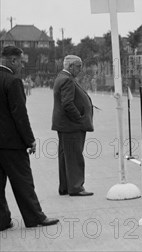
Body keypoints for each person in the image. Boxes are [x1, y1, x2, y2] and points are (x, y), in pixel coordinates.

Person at [0, 46, 59, 230]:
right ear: (13, 60)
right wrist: (30, 140)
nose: (21, 67)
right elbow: (19, 115)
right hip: (12, 144)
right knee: (23, 182)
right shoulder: (12, 81)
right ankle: (34, 217)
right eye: (21, 62)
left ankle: (2, 221)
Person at [52, 55, 94, 197]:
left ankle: (65, 186)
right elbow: (68, 103)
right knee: (74, 157)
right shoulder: (67, 80)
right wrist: (80, 118)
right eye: (78, 66)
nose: (80, 69)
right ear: (70, 66)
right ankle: (76, 187)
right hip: (71, 126)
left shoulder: (63, 77)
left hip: (65, 125)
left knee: (66, 157)